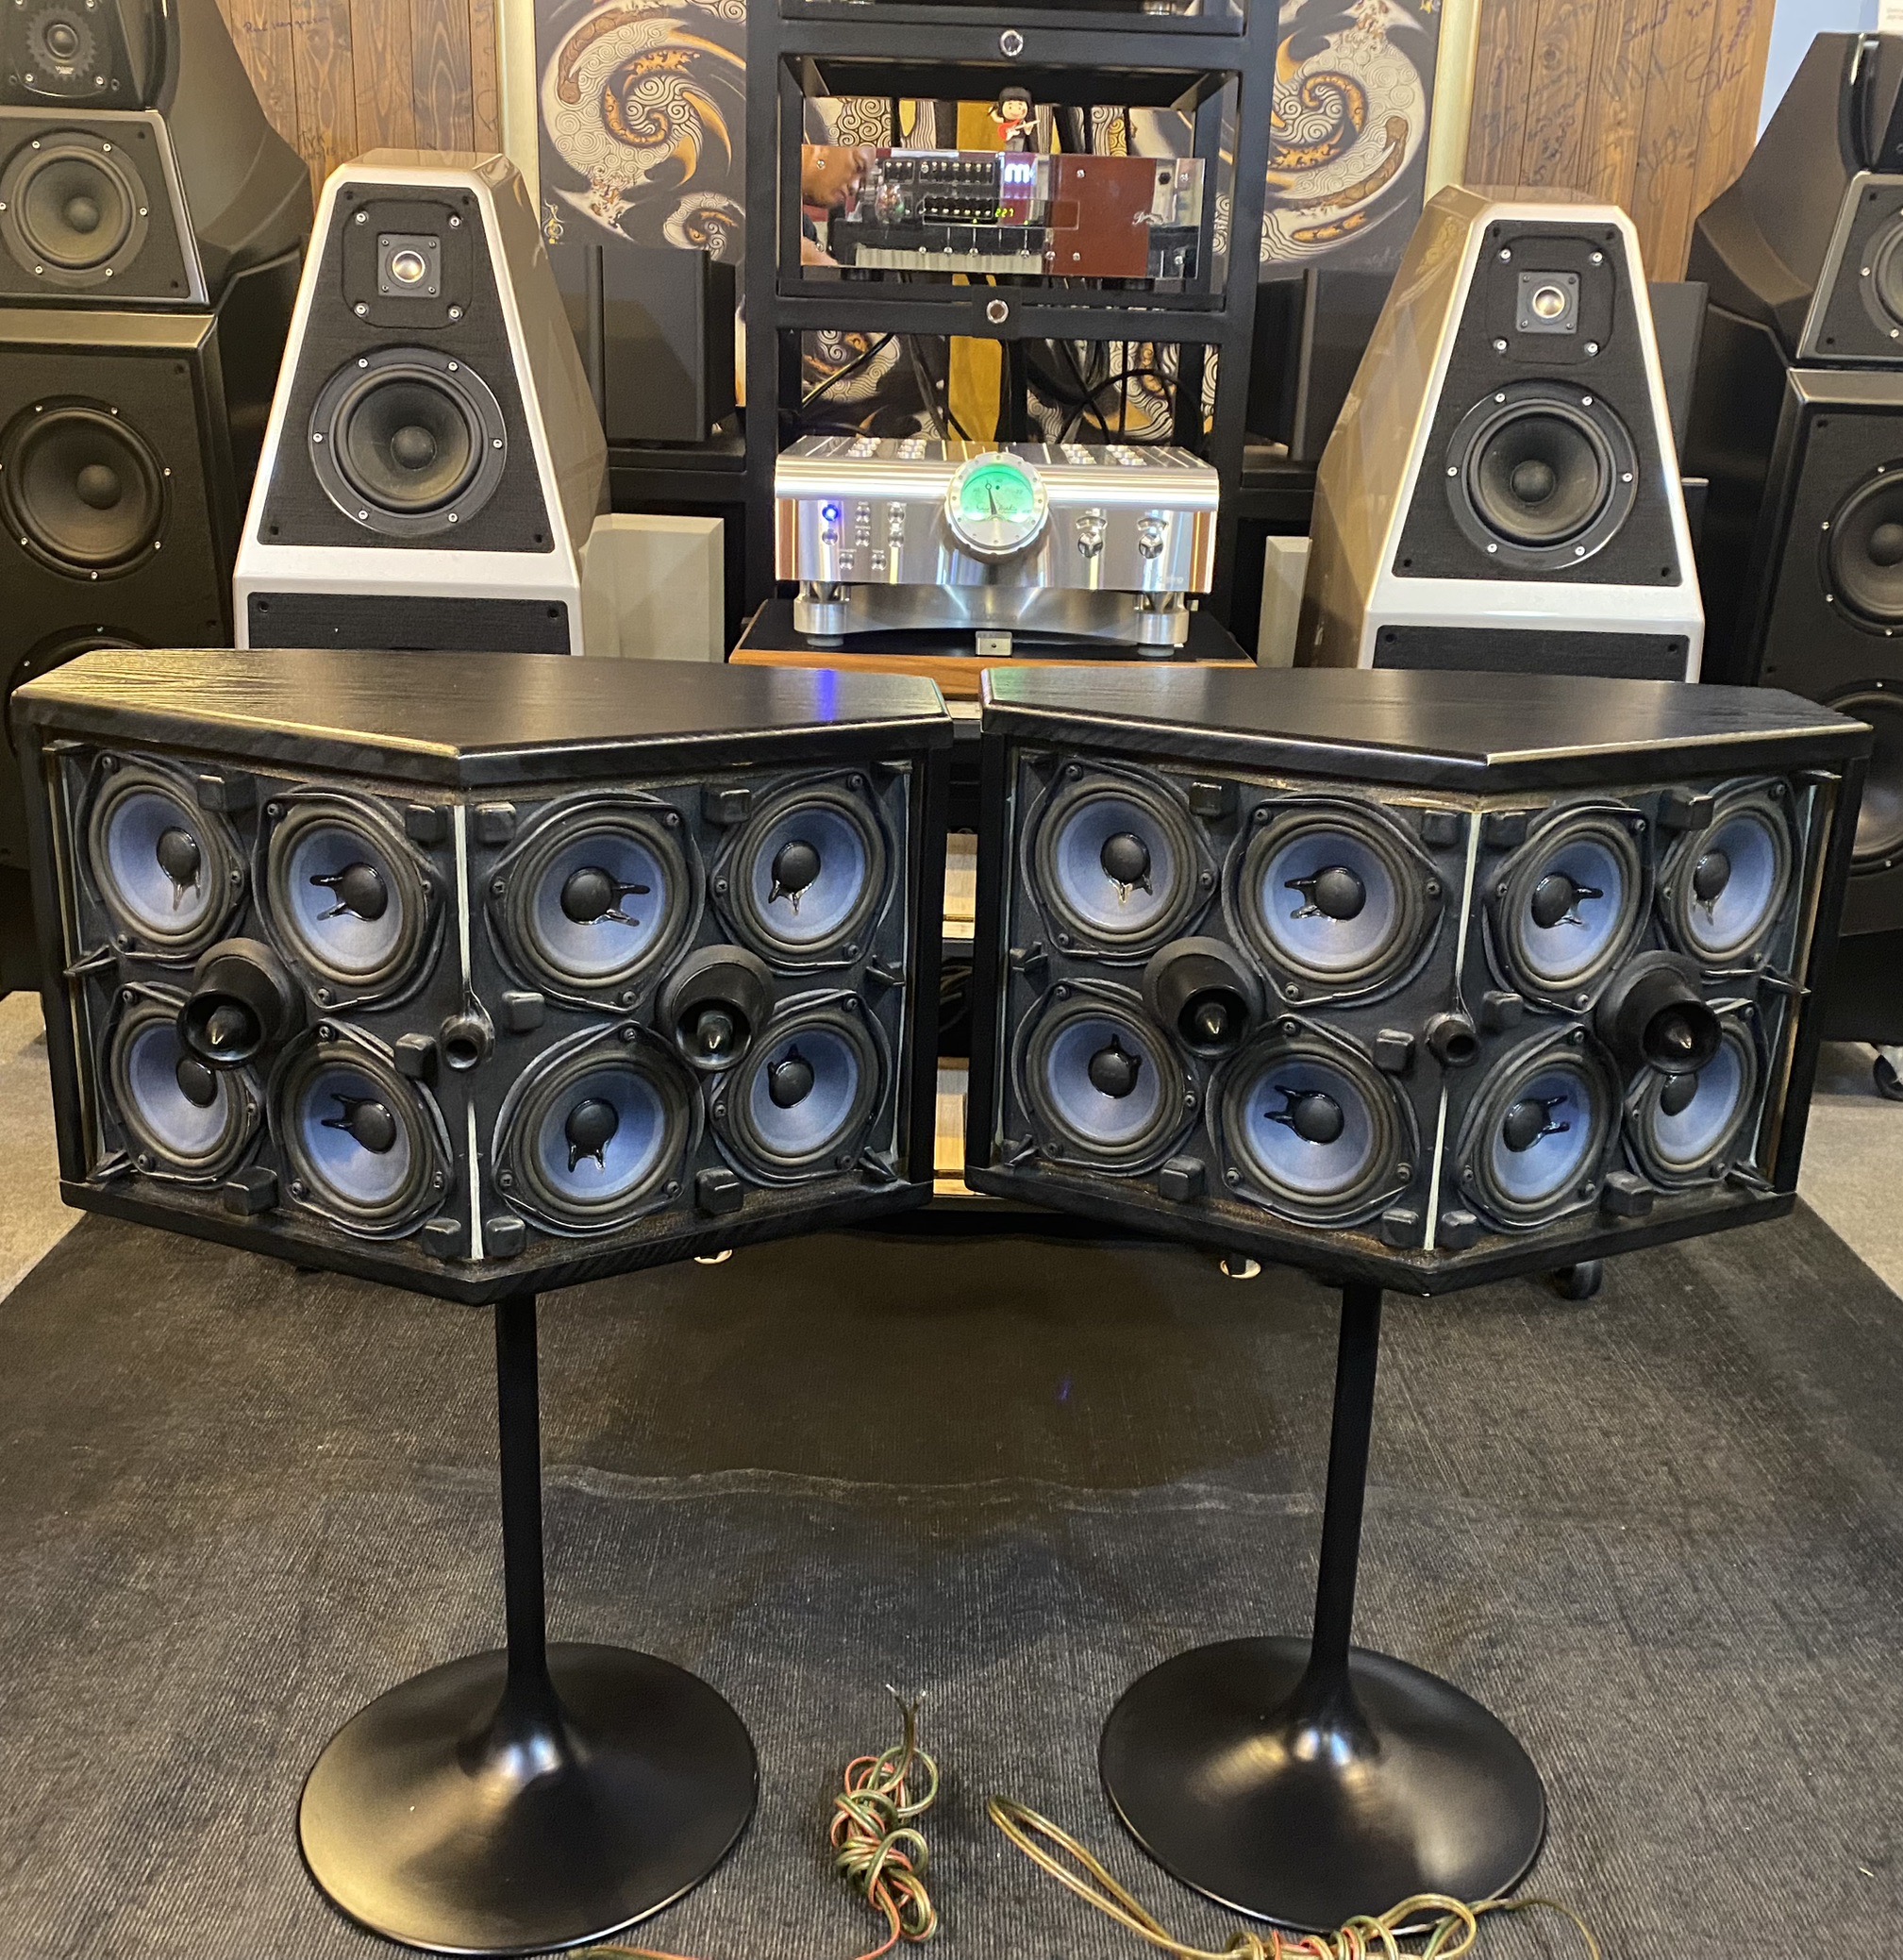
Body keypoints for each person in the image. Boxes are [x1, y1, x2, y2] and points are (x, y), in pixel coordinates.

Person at [799, 144, 875, 266]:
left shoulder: (806, 229)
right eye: (858, 166)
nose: (855, 187)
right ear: (820, 148)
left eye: (862, 182)